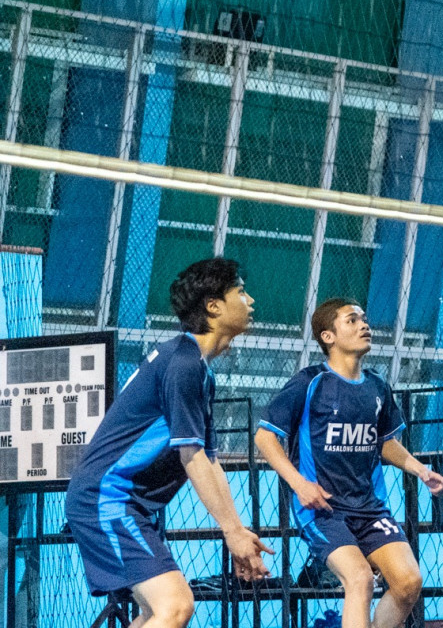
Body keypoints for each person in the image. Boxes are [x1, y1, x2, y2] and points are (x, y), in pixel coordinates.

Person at [63, 258, 272, 627]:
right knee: (175, 606)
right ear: (213, 306)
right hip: (107, 498)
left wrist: (237, 530)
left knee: (155, 612)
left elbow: (208, 460)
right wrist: (231, 531)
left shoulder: (196, 367)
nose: (250, 300)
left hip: (120, 502)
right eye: (241, 292)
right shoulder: (183, 363)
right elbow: (192, 457)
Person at [255, 299, 443, 628]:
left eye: (365, 319)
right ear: (328, 336)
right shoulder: (309, 383)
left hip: (369, 508)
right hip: (323, 509)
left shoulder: (377, 386)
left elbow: (384, 442)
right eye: (352, 320)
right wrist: (300, 484)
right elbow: (264, 437)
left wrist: (419, 469)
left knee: (408, 582)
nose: (364, 325)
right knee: (360, 578)